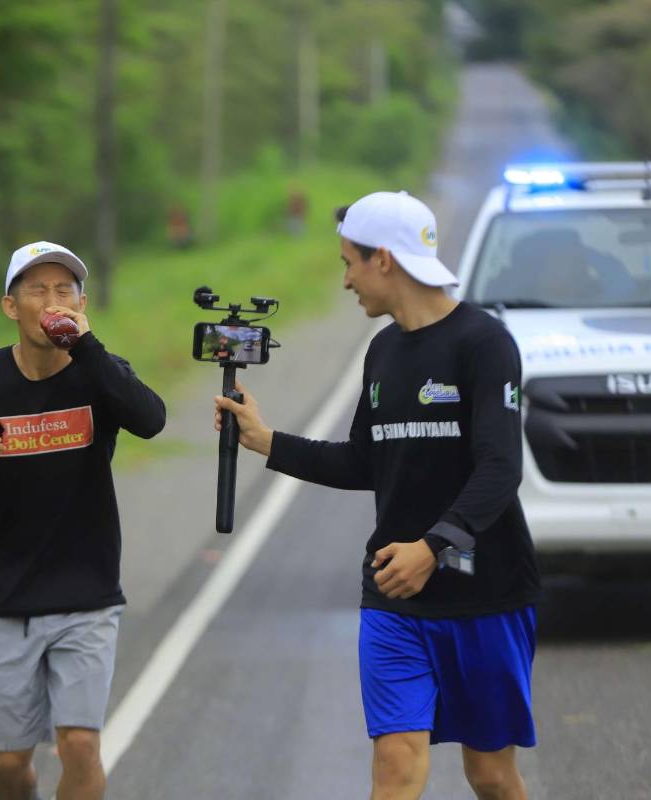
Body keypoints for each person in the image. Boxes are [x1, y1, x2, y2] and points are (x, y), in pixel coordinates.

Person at [214, 191, 541, 800]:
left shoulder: (484, 342)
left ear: (383, 260)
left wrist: (433, 548)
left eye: (349, 263)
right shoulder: (382, 351)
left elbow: (500, 469)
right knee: (395, 766)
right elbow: (365, 461)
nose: (344, 281)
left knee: (491, 776)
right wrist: (266, 442)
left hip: (486, 592)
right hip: (394, 597)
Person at [0, 241, 165, 800]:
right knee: (8, 762)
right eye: (38, 290)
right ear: (11, 306)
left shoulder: (98, 374)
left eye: (65, 290)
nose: (53, 300)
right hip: (7, 598)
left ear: (82, 303)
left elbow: (152, 420)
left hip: (88, 594)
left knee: (80, 744)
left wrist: (90, 349)